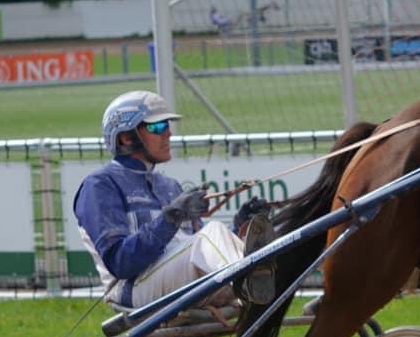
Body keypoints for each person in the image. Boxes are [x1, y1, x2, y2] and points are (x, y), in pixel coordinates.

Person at [73, 90, 272, 309]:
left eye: (167, 125)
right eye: (156, 127)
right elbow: (120, 263)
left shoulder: (169, 186)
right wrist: (169, 219)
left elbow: (199, 252)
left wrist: (239, 225)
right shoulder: (100, 186)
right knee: (212, 233)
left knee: (259, 236)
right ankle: (251, 282)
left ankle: (264, 282)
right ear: (126, 137)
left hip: (179, 282)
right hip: (132, 289)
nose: (167, 133)